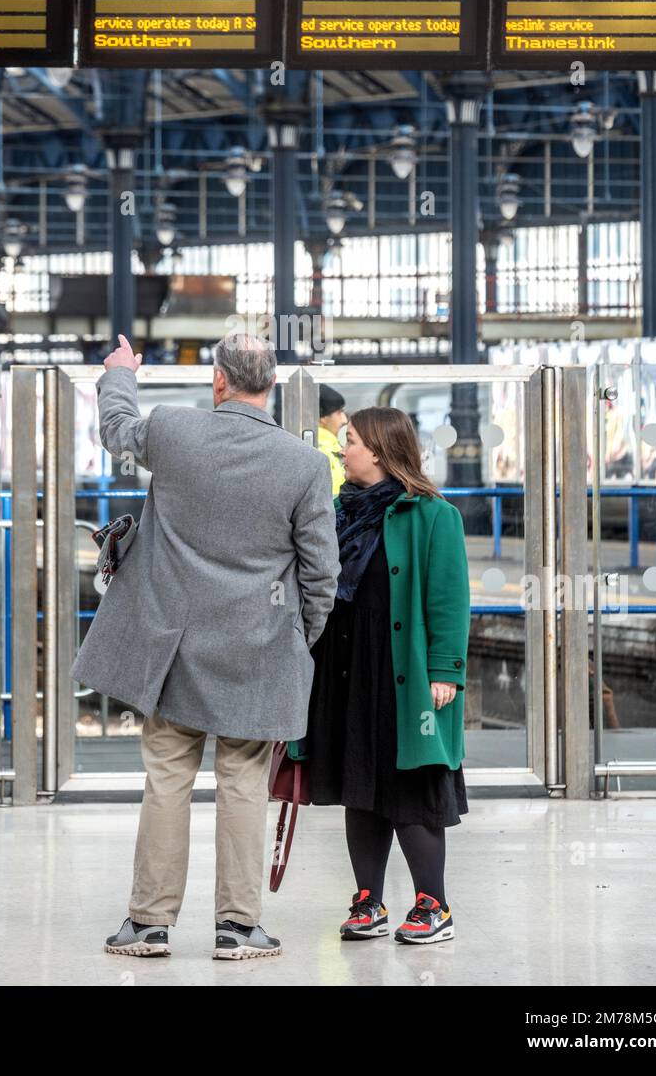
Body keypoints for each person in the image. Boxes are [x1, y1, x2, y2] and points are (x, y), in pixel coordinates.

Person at [71, 332, 340, 961]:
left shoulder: (174, 431)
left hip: (173, 649)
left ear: (219, 381)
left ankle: (147, 925)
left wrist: (119, 373)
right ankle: (238, 928)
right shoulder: (304, 465)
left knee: (167, 777)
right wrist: (297, 637)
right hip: (259, 648)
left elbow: (117, 427)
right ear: (270, 385)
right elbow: (320, 572)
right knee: (244, 782)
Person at [304, 406, 471, 945]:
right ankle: (368, 900)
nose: (341, 449)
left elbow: (449, 599)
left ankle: (433, 905)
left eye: (348, 441)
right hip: (347, 667)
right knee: (360, 784)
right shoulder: (335, 512)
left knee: (412, 785)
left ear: (376, 450)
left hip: (405, 672)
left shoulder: (431, 515)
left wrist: (444, 671)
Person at [318, 384, 348, 495]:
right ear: (323, 417)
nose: (344, 420)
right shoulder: (324, 450)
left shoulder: (334, 447)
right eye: (339, 413)